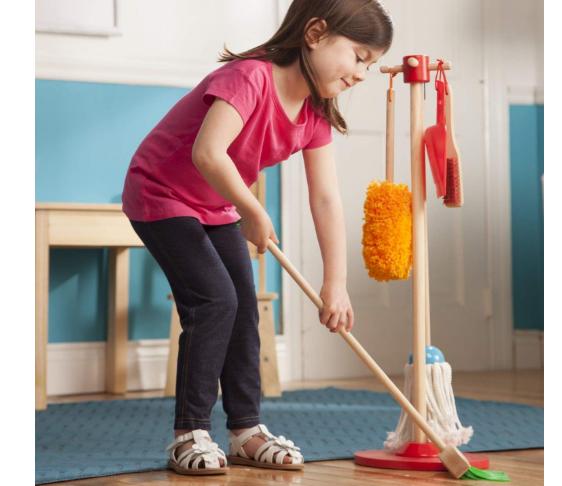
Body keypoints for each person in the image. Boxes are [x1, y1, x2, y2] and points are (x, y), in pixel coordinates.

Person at [122, 0, 393, 476]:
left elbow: (325, 200)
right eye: (357, 56)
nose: (362, 74)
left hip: (215, 204)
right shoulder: (250, 77)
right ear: (314, 33)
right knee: (214, 301)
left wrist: (336, 282)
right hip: (160, 193)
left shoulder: (314, 115)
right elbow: (209, 152)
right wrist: (252, 210)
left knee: (244, 308)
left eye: (370, 64)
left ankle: (245, 429)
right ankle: (189, 432)